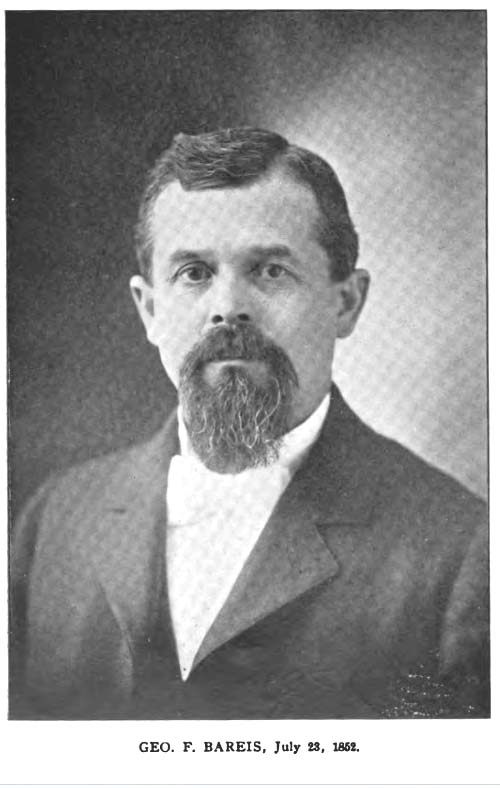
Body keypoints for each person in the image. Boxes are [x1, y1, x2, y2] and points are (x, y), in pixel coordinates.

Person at [10, 127, 489, 719]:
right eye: (194, 273)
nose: (228, 307)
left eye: (270, 271)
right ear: (149, 309)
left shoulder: (463, 554)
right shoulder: (55, 521)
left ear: (346, 303)